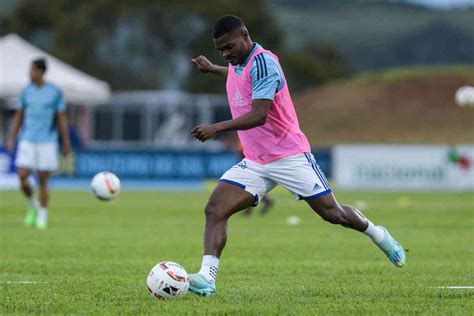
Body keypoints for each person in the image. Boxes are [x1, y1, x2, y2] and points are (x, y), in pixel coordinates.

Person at [189, 15, 406, 297]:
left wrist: (216, 128)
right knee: (215, 209)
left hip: (289, 156)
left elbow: (259, 115)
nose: (226, 53)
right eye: (221, 51)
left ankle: (378, 234)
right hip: (256, 161)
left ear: (244, 34)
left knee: (333, 214)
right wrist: (213, 67)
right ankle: (207, 278)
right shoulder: (238, 64)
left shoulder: (265, 62)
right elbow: (237, 76)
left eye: (228, 47)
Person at [6, 58, 71, 230]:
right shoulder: (26, 91)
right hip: (27, 138)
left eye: (33, 70)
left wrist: (66, 142)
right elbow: (19, 115)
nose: (30, 73)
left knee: (43, 179)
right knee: (21, 174)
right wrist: (11, 136)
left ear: (41, 72)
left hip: (47, 141)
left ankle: (42, 214)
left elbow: (61, 118)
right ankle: (32, 205)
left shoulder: (54, 92)